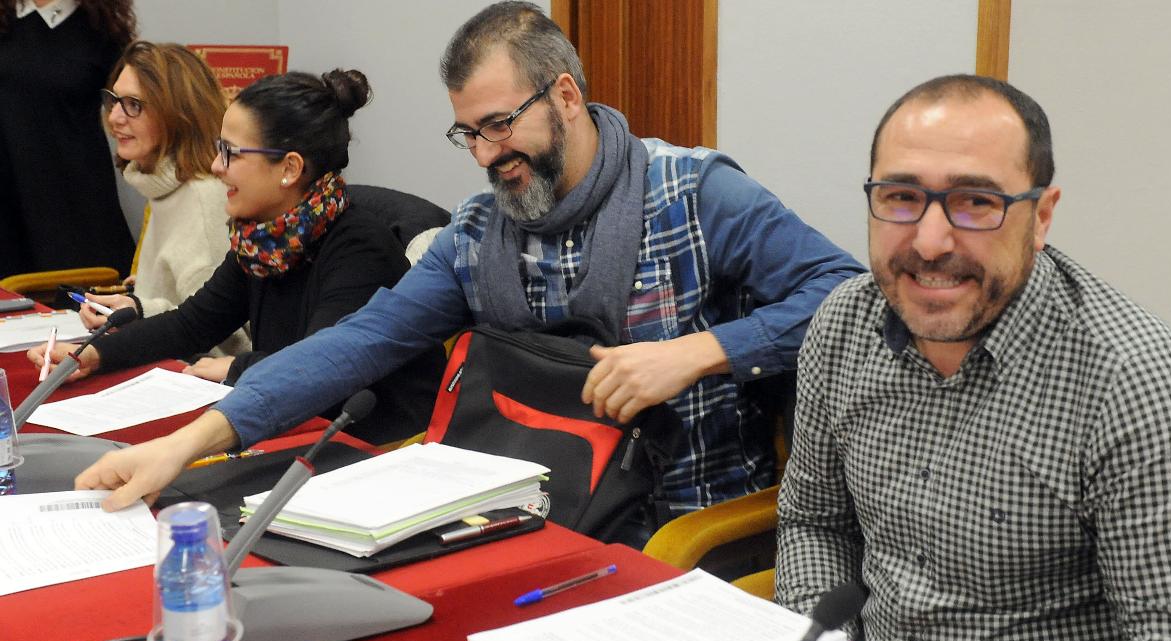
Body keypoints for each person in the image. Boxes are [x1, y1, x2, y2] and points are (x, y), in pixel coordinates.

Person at [73, 1, 863, 537]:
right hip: (526, 511)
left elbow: (847, 294)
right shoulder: (482, 230)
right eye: (467, 134)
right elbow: (361, 341)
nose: (486, 155)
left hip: (678, 529)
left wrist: (703, 350)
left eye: (498, 125)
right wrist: (187, 443)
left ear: (565, 96)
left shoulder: (695, 193)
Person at [774, 74, 1171, 641]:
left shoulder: (1129, 376)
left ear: (1042, 215)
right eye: (902, 197)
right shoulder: (843, 326)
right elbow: (815, 523)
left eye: (975, 202)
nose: (930, 241)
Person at [30, 68, 442, 444]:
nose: (215, 166)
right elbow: (190, 325)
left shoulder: (358, 246)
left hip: (372, 445)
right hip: (294, 423)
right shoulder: (264, 238)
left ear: (290, 168)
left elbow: (323, 367)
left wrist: (237, 369)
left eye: (230, 153)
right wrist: (94, 354)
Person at [75, 40, 249, 357]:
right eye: (113, 101)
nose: (114, 118)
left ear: (178, 115)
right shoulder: (162, 186)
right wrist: (128, 302)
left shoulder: (203, 196)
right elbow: (178, 298)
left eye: (134, 105)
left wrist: (139, 310)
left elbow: (224, 339)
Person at [0, 0, 136, 278]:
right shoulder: (6, 19)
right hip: (6, 202)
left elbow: (134, 111)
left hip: (73, 204)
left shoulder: (104, 29)